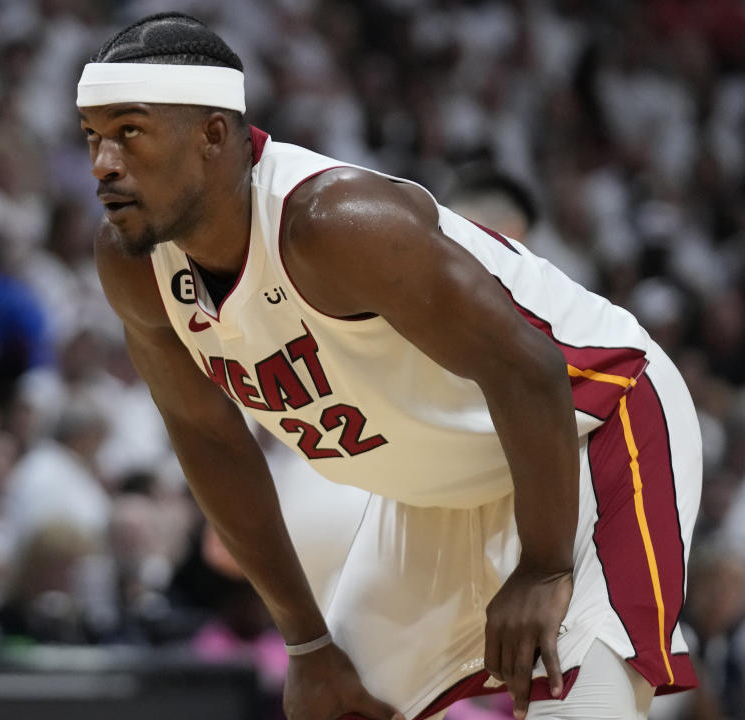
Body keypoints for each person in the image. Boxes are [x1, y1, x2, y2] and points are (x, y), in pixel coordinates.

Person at [80, 13, 702, 720]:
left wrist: (545, 564)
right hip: (436, 491)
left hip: (592, 425)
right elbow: (209, 440)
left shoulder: (334, 220)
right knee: (338, 704)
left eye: (129, 131)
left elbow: (529, 369)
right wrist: (307, 644)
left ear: (213, 136)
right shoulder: (133, 264)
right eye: (92, 136)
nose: (103, 162)